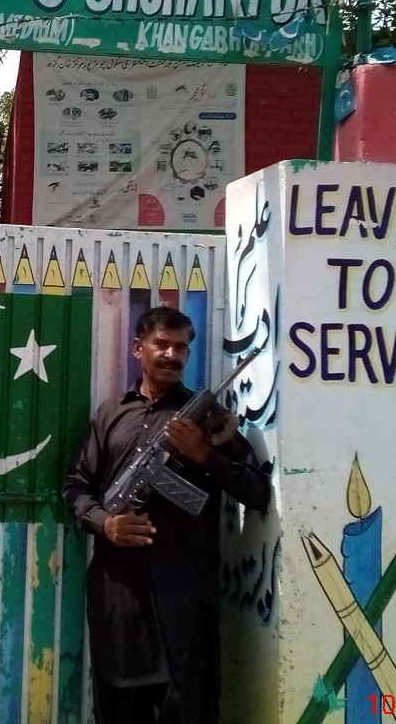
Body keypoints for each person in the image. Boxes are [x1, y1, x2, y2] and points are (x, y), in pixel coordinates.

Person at [63, 305, 270, 724]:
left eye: (181, 348)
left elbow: (257, 492)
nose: (172, 355)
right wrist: (107, 523)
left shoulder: (208, 419)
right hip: (119, 600)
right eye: (162, 344)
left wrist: (204, 456)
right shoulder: (111, 414)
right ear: (138, 348)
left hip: (185, 600)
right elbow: (76, 487)